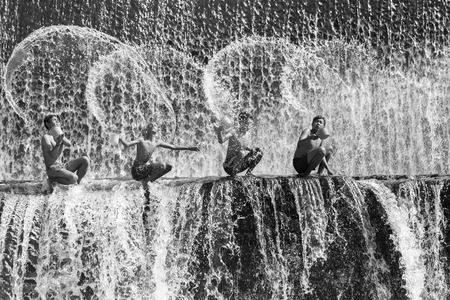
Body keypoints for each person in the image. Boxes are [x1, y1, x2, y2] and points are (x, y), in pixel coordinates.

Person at [119, 122, 199, 188]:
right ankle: (146, 181)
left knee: (168, 166)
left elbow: (173, 147)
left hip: (144, 169)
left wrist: (189, 148)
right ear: (147, 129)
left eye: (155, 125)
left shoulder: (157, 142)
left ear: (157, 130)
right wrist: (120, 138)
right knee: (161, 164)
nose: (154, 125)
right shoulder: (141, 140)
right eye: (151, 125)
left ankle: (148, 180)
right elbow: (127, 144)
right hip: (137, 170)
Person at [41, 114, 90, 190]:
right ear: (48, 124)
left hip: (62, 166)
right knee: (73, 178)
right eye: (54, 120)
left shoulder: (59, 136)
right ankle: (51, 181)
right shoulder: (46, 137)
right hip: (52, 169)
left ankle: (77, 184)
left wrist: (60, 134)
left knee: (85, 160)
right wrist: (58, 144)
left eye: (58, 120)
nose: (57, 122)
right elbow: (51, 156)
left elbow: (69, 144)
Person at [214, 111, 263, 177]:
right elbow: (221, 141)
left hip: (239, 166)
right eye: (248, 123)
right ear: (241, 122)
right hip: (229, 167)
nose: (249, 125)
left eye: (250, 123)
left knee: (259, 152)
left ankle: (248, 174)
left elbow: (242, 146)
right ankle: (233, 176)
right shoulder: (234, 131)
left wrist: (251, 150)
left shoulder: (248, 134)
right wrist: (219, 132)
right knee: (241, 153)